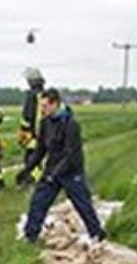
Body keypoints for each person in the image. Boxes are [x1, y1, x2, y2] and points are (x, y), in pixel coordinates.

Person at [20, 87, 107, 243]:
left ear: (55, 104)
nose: (42, 109)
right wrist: (27, 168)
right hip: (52, 169)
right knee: (38, 201)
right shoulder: (45, 123)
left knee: (82, 203)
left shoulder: (71, 124)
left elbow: (71, 154)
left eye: (45, 106)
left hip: (71, 171)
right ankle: (31, 235)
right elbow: (41, 149)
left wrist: (56, 174)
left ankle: (97, 233)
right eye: (42, 106)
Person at [16, 67, 45, 185]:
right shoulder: (44, 94)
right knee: (38, 157)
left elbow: (27, 116)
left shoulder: (31, 96)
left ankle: (32, 180)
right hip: (44, 132)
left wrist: (23, 131)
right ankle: (37, 178)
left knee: (30, 159)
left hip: (32, 134)